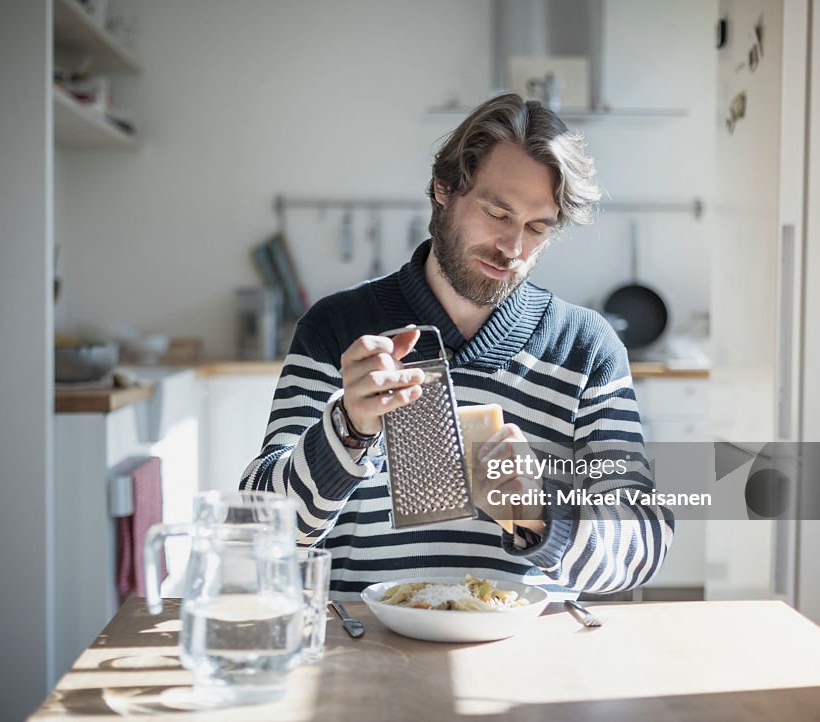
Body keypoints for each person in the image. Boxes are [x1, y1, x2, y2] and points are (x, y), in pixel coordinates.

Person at [241, 93, 673, 600]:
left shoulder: (587, 348)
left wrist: (539, 512)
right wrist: (347, 429)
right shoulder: (336, 328)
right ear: (443, 189)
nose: (513, 249)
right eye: (497, 213)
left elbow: (643, 542)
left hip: (525, 658)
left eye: (537, 228)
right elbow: (261, 530)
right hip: (364, 649)